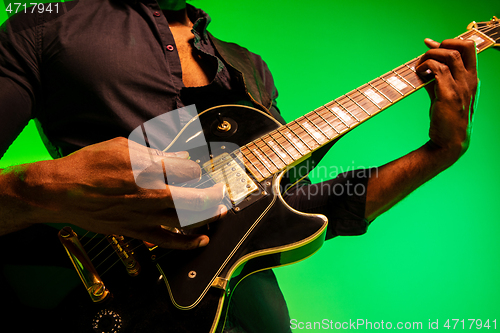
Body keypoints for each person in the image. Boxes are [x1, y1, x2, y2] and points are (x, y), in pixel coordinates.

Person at [0, 0, 478, 332]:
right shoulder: (46, 26)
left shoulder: (246, 66)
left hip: (248, 316)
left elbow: (283, 211)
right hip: (84, 297)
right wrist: (36, 187)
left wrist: (440, 151)